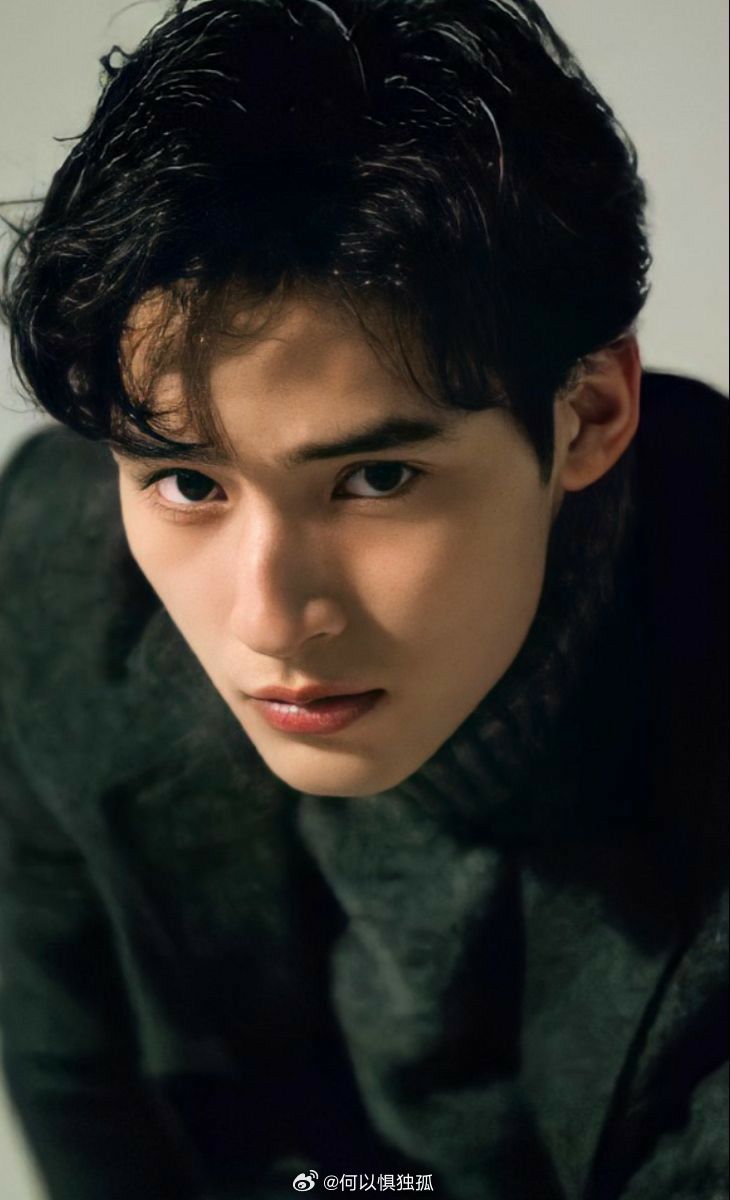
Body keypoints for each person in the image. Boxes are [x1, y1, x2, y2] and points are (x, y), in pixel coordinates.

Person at [0, 1, 726, 1197]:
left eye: (377, 478)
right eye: (188, 483)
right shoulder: (59, 575)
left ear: (590, 412)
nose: (269, 618)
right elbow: (81, 1084)